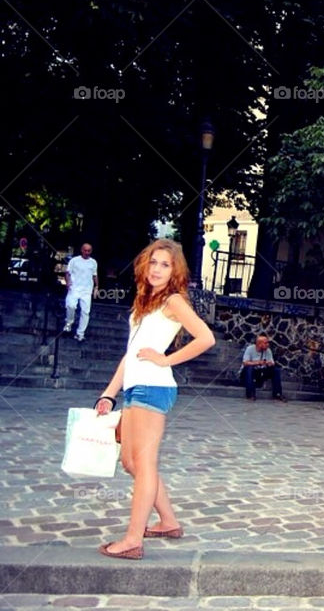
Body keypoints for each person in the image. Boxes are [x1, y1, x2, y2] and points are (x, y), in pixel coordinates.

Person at [94, 239, 216, 559]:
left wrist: (165, 360)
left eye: (165, 265)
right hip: (136, 385)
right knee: (130, 462)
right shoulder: (145, 300)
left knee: (144, 463)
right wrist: (109, 393)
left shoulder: (173, 300)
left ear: (175, 271)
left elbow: (206, 337)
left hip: (153, 385)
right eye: (154, 262)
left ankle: (134, 539)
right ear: (145, 264)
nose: (157, 269)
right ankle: (169, 521)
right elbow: (129, 355)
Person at [63, 243, 98, 342]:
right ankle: (68, 323)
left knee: (85, 312)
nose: (87, 252)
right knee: (70, 305)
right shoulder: (74, 261)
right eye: (85, 250)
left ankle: (80, 333)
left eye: (89, 251)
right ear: (81, 250)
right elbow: (67, 273)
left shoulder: (93, 262)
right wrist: (68, 282)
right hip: (74, 288)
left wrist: (97, 287)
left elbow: (95, 275)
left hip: (87, 290)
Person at [241, 334, 285, 402]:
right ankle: (250, 394)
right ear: (259, 344)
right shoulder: (250, 349)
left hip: (261, 371)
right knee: (249, 368)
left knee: (276, 370)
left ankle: (277, 394)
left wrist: (270, 364)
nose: (268, 344)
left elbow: (272, 362)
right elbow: (245, 362)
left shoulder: (268, 351)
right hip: (249, 372)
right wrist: (258, 362)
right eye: (265, 343)